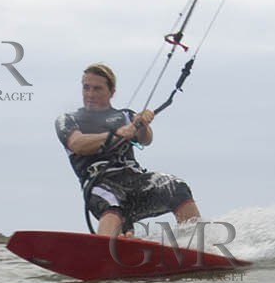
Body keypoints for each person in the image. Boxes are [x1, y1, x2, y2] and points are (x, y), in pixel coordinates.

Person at [54, 63, 201, 237]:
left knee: (175, 186)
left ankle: (198, 242)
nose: (90, 94)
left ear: (111, 91)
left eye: (97, 89)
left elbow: (146, 139)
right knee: (112, 204)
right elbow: (78, 144)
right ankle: (106, 248)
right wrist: (117, 134)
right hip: (100, 183)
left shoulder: (125, 116)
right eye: (86, 88)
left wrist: (143, 123)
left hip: (135, 180)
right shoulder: (69, 119)